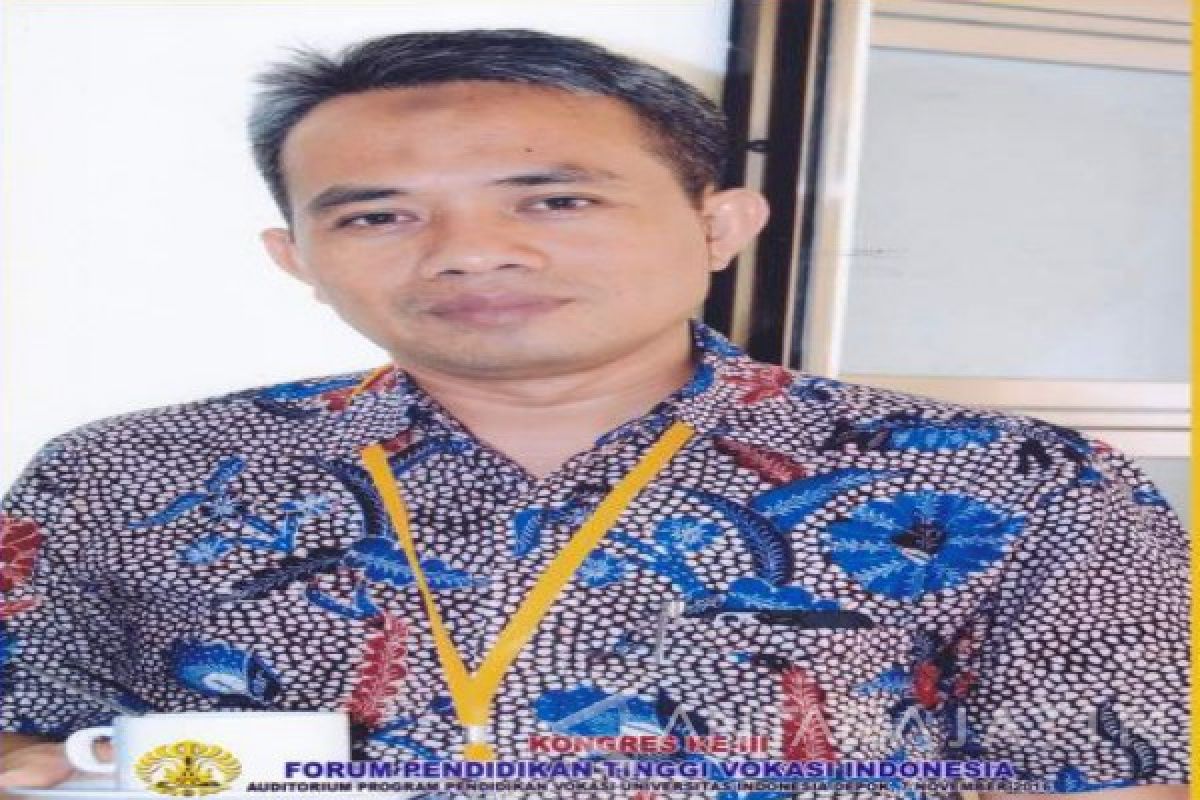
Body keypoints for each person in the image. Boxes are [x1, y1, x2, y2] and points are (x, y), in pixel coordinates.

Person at [0, 29, 1188, 800]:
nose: (473, 252)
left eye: (555, 199)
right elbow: (24, 738)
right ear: (295, 256)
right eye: (376, 215)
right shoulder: (124, 472)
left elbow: (1130, 772)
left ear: (719, 224)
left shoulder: (1017, 478)